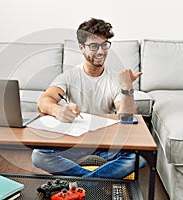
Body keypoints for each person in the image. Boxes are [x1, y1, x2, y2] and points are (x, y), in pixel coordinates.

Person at [31, 18, 146, 179]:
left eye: (105, 45)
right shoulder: (70, 76)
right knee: (39, 155)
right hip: (73, 145)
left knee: (138, 159)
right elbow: (44, 100)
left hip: (105, 147)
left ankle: (83, 183)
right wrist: (58, 111)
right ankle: (97, 181)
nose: (101, 51)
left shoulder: (114, 79)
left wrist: (127, 89)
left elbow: (127, 117)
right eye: (94, 46)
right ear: (81, 48)